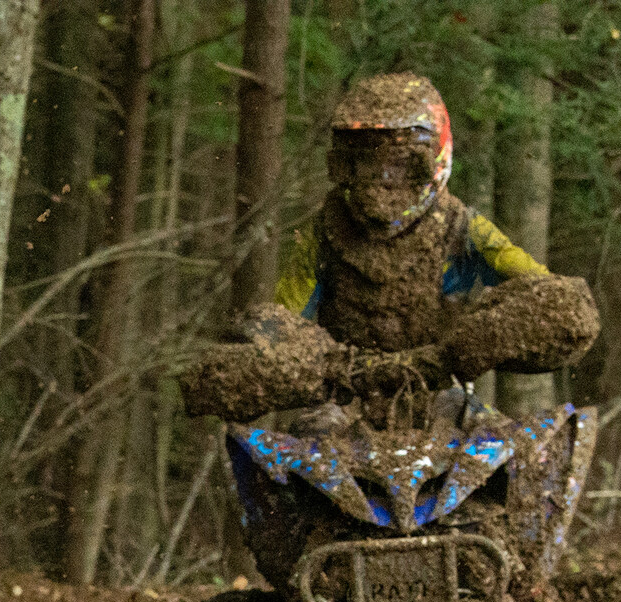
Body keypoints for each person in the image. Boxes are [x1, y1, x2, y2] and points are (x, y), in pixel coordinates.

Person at [185, 72, 597, 425]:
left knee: (501, 448)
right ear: (342, 166)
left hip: (440, 399)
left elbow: (554, 299)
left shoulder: (463, 229)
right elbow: (278, 326)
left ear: (431, 161)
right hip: (344, 406)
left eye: (399, 166)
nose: (381, 182)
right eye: (365, 165)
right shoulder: (325, 234)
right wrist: (309, 364)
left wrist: (479, 342)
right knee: (291, 459)